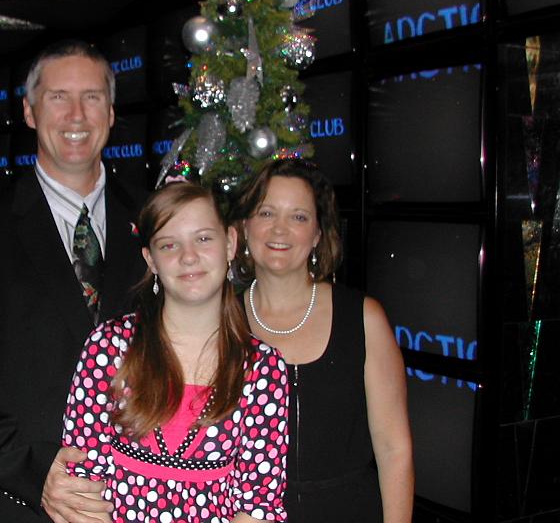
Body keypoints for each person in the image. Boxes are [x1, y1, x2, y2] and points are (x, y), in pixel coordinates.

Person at [0, 39, 147, 523]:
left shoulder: (157, 223)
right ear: (29, 111)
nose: (76, 115)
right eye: (57, 97)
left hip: (148, 495)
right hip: (23, 498)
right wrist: (34, 472)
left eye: (91, 97)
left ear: (110, 113)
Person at [61, 181, 289, 523]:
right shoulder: (109, 348)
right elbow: (81, 482)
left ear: (230, 243)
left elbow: (258, 504)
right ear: (150, 260)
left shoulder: (263, 368)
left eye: (203, 238)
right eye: (169, 245)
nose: (188, 256)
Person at [229, 158, 414, 523]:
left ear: (316, 234)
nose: (279, 230)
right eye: (266, 213)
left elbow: (395, 450)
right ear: (245, 226)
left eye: (298, 217)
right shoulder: (223, 323)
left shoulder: (363, 318)